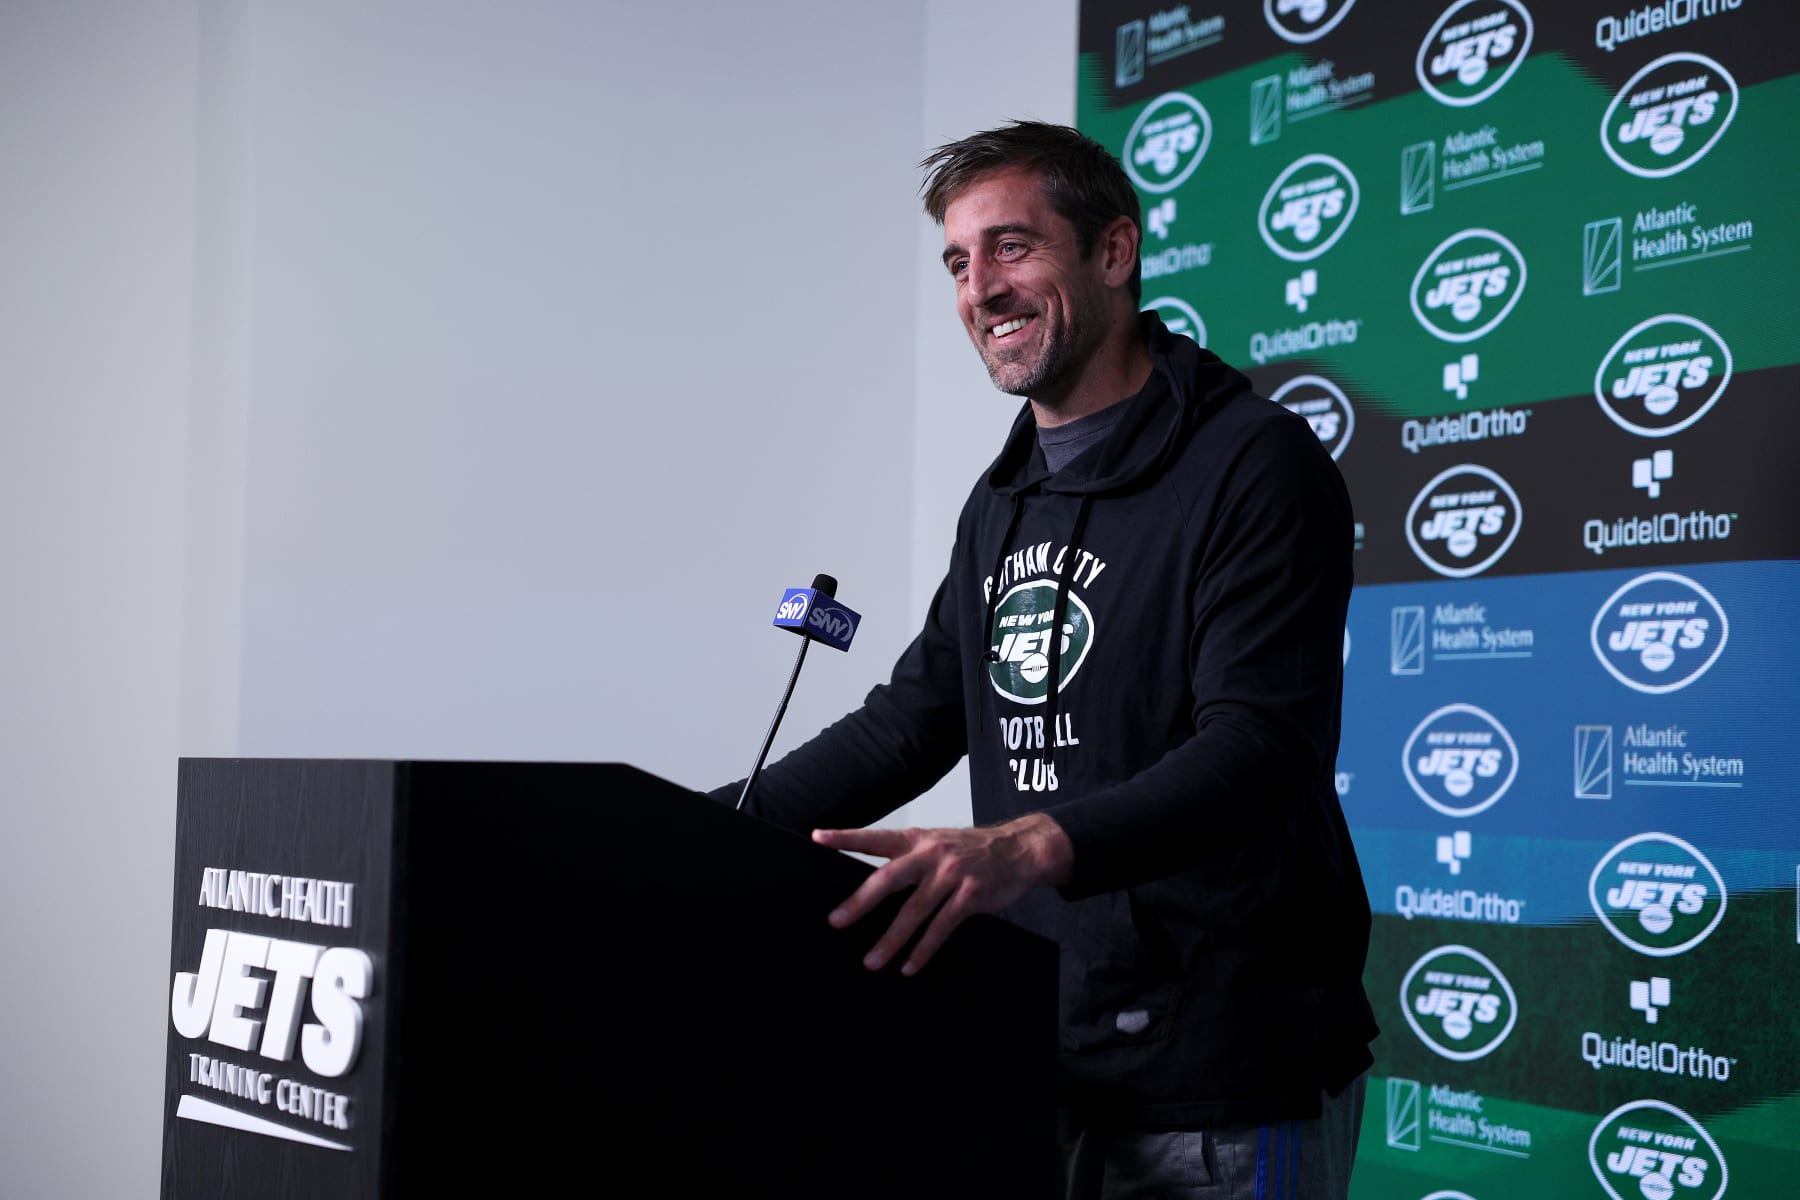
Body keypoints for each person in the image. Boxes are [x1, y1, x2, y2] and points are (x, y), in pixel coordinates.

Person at [714, 121, 1377, 1199]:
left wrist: (1024, 847)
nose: (981, 288)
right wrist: (692, 827)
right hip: (1044, 1047)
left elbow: (1261, 747)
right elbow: (917, 717)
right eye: (959, 262)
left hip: (1223, 1074)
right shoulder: (1005, 496)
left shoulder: (1255, 464)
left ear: (1112, 253)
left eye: (1013, 247)